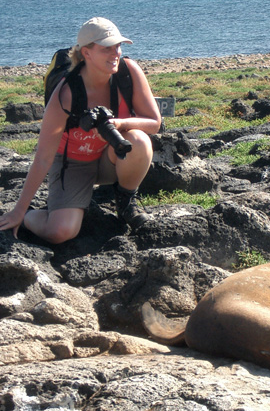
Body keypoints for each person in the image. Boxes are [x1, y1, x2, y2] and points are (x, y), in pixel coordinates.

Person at [0, 17, 161, 243]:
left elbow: (154, 122)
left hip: (111, 158)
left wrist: (121, 124)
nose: (115, 53)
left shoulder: (128, 72)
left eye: (118, 46)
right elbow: (43, 158)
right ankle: (29, 217)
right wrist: (18, 210)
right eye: (107, 48)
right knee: (60, 232)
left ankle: (125, 203)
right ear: (86, 53)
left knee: (139, 140)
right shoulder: (66, 93)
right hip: (73, 165)